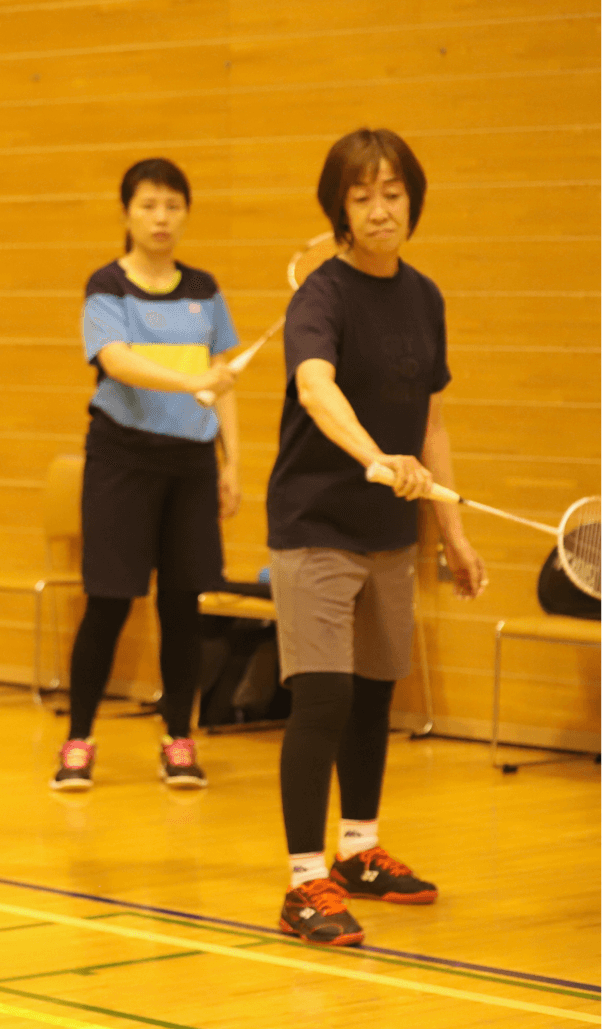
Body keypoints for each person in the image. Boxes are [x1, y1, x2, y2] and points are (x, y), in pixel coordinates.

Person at [269, 128, 485, 946]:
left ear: (413, 200)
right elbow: (315, 387)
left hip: (392, 532)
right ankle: (302, 884)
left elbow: (431, 418)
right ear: (340, 212)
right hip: (315, 524)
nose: (380, 208)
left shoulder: (424, 297)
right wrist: (370, 456)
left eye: (393, 192)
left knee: (373, 693)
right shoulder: (319, 298)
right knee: (322, 695)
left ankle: (358, 849)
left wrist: (451, 533)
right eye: (362, 196)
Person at [54, 158, 241, 793]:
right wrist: (193, 382)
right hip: (121, 459)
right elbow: (116, 361)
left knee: (183, 605)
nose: (162, 218)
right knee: (108, 603)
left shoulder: (205, 290)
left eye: (173, 206)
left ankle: (178, 740)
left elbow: (223, 381)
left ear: (185, 213)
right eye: (149, 205)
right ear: (127, 213)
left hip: (191, 464)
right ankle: (78, 739)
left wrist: (232, 461)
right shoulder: (107, 286)